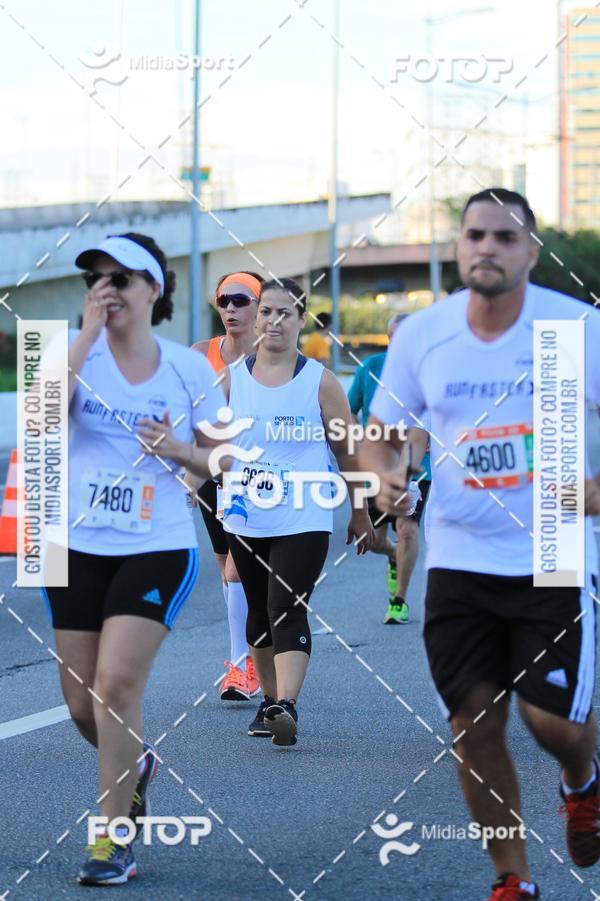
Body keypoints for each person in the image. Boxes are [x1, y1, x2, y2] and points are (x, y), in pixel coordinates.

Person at [361, 188, 600, 900]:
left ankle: (582, 781)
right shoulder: (423, 335)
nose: (487, 247)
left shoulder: (573, 326)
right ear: (459, 247)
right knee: (472, 721)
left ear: (531, 251)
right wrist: (385, 480)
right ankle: (513, 882)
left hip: (553, 551)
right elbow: (380, 437)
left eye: (504, 236)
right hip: (461, 556)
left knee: (550, 720)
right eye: (474, 235)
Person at [42, 233, 224, 886]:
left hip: (156, 544)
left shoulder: (188, 368)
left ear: (155, 289)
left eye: (122, 277)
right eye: (97, 277)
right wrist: (86, 335)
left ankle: (112, 840)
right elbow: (39, 422)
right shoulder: (75, 354)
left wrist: (182, 452)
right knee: (81, 704)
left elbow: (225, 458)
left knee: (116, 686)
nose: (107, 288)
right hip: (75, 546)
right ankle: (136, 763)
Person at [218, 278, 373, 745]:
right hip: (245, 515)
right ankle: (269, 702)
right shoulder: (232, 379)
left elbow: (348, 452)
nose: (273, 321)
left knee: (286, 605)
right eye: (266, 311)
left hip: (305, 513)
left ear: (302, 320)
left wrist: (360, 512)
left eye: (285, 313)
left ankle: (286, 704)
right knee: (258, 616)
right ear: (257, 317)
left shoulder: (320, 381)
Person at [190, 271, 263, 701]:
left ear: (258, 305)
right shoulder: (202, 355)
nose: (231, 309)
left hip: (255, 476)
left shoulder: (270, 354)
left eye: (241, 300)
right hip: (211, 474)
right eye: (224, 301)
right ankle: (252, 649)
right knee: (227, 568)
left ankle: (243, 665)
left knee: (238, 568)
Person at [347, 313, 430, 623]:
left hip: (417, 468)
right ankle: (391, 556)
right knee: (374, 541)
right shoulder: (371, 368)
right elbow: (348, 410)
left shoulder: (431, 368)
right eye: (394, 338)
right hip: (378, 466)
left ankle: (400, 601)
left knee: (408, 528)